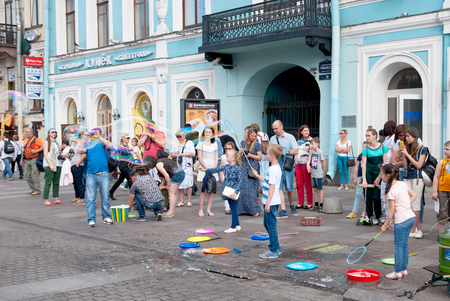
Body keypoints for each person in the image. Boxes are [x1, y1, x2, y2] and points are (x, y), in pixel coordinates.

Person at [380, 164, 416, 280]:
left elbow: (391, 212)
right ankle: (403, 270)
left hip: (402, 220)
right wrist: (404, 205)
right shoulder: (403, 184)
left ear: (388, 175)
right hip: (411, 217)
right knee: (404, 245)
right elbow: (414, 196)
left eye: (382, 175)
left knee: (398, 246)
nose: (381, 177)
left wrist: (385, 225)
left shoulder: (391, 191)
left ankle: (397, 272)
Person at [252, 144, 283, 259]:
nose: (266, 155)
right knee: (267, 224)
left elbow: (272, 187)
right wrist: (257, 175)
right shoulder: (275, 168)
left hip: (271, 202)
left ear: (272, 156)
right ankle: (276, 247)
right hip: (270, 201)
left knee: (271, 226)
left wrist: (268, 203)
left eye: (267, 154)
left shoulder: (272, 169)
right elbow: (267, 181)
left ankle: (273, 250)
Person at [202, 149, 242, 233]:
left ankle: (233, 227)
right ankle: (237, 225)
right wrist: (206, 170)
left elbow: (240, 181)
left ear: (233, 158)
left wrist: (236, 192)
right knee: (232, 207)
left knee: (234, 209)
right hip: (228, 190)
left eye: (227, 156)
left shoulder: (237, 169)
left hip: (233, 191)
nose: (226, 157)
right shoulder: (226, 166)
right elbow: (216, 169)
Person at [80, 128, 114, 227]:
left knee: (105, 197)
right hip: (90, 174)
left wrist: (100, 137)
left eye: (97, 132)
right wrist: (83, 138)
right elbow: (79, 150)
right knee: (90, 198)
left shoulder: (103, 144)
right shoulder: (88, 144)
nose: (95, 134)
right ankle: (91, 219)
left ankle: (106, 217)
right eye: (93, 132)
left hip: (103, 173)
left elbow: (111, 146)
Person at [400, 128, 427, 239]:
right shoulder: (409, 149)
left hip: (417, 178)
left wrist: (407, 154)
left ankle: (413, 229)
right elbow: (406, 166)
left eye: (408, 136)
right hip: (407, 177)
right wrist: (403, 154)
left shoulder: (423, 149)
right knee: (409, 203)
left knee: (416, 204)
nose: (406, 138)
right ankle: (418, 229)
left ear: (414, 137)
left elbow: (419, 165)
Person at [269, 120, 299, 218]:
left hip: (287, 166)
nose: (275, 131)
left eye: (276, 128)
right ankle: (283, 210)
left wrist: (285, 151)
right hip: (277, 166)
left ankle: (291, 206)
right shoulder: (273, 139)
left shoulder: (290, 137)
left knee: (290, 188)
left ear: (281, 127)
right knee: (279, 188)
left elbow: (296, 151)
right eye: (273, 129)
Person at [362, 128, 388, 225]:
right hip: (369, 172)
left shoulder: (382, 147)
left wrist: (379, 177)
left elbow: (384, 163)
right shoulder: (365, 149)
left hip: (379, 172)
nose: (367, 138)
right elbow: (363, 164)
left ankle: (378, 215)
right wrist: (364, 179)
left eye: (369, 135)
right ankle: (369, 215)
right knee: (368, 195)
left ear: (375, 136)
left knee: (377, 196)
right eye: (366, 136)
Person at [238, 128, 262, 216]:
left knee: (252, 189)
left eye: (255, 136)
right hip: (244, 166)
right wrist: (240, 153)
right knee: (243, 188)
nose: (253, 137)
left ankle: (254, 210)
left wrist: (250, 155)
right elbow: (238, 156)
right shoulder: (242, 143)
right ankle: (243, 209)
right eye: (252, 136)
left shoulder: (257, 144)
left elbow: (260, 157)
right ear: (248, 135)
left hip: (253, 166)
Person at [196, 127, 219, 217]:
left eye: (210, 132)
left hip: (213, 166)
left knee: (211, 190)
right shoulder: (200, 144)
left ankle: (208, 209)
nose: (208, 133)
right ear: (204, 133)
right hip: (204, 167)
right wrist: (206, 168)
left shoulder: (215, 143)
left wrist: (214, 168)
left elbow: (216, 156)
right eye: (206, 132)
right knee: (204, 190)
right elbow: (200, 157)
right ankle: (200, 209)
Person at [171, 129, 195, 207]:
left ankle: (189, 201)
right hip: (179, 165)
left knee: (188, 184)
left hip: (187, 165)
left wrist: (182, 155)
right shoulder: (176, 143)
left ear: (184, 135)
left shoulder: (189, 142)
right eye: (177, 137)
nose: (179, 139)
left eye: (180, 137)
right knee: (180, 184)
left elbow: (192, 153)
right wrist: (176, 155)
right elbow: (172, 153)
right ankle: (181, 201)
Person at [63, 131, 86, 206]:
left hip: (78, 165)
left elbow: (84, 155)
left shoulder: (80, 144)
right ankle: (77, 197)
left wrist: (78, 163)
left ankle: (82, 199)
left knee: (79, 182)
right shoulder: (72, 144)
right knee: (75, 182)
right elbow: (70, 154)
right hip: (72, 164)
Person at [432, 140, 450, 234]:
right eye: (444, 149)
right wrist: (435, 191)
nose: (445, 151)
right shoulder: (442, 162)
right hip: (442, 190)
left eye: (447, 149)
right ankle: (441, 234)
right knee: (442, 212)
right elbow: (436, 177)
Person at [42, 129, 63, 206]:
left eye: (55, 132)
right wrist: (50, 164)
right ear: (49, 134)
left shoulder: (56, 142)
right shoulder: (47, 142)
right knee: (48, 182)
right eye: (52, 132)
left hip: (58, 163)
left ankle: (56, 198)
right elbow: (45, 154)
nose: (54, 133)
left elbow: (57, 154)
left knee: (56, 182)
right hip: (49, 164)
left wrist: (60, 150)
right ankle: (45, 199)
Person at [347, 142, 368, 218]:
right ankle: (354, 211)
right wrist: (355, 177)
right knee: (358, 194)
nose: (364, 149)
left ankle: (365, 211)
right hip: (360, 176)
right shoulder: (360, 156)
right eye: (363, 147)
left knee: (367, 196)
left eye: (365, 147)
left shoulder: (370, 156)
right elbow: (357, 167)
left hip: (367, 177)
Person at [21, 128, 44, 195]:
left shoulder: (37, 139)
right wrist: (21, 159)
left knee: (35, 175)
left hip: (34, 158)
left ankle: (37, 190)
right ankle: (33, 188)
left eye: (29, 132)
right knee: (26, 175)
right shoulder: (25, 140)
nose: (28, 133)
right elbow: (24, 150)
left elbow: (43, 147)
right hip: (27, 159)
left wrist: (36, 151)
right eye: (27, 132)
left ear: (32, 132)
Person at [109, 134, 133, 200]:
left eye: (129, 138)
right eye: (127, 138)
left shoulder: (127, 146)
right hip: (123, 166)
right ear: (123, 139)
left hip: (127, 165)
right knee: (130, 179)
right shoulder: (121, 147)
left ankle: (110, 192)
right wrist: (130, 153)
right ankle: (133, 196)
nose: (128, 139)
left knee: (120, 180)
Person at [294, 125, 312, 210]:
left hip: (306, 164)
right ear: (301, 132)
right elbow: (296, 152)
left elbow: (312, 153)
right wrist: (295, 163)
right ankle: (300, 202)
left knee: (308, 184)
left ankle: (309, 203)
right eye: (304, 131)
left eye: (307, 130)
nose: (306, 132)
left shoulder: (311, 141)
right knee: (299, 184)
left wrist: (309, 163)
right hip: (298, 164)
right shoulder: (299, 141)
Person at [307, 138, 325, 212]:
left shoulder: (320, 152)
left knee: (320, 189)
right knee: (314, 189)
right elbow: (310, 159)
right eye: (311, 144)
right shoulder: (312, 152)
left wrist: (323, 172)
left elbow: (323, 163)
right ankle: (316, 204)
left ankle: (321, 204)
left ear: (317, 144)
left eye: (313, 144)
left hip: (318, 173)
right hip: (313, 173)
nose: (311, 145)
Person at [251, 123, 269, 190]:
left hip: (260, 154)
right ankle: (267, 184)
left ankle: (262, 186)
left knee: (261, 171)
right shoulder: (265, 134)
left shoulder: (256, 136)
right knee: (266, 170)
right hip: (266, 154)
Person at [220, 141, 236, 214]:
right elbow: (221, 168)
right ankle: (227, 208)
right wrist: (221, 176)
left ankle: (233, 207)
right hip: (226, 177)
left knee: (234, 193)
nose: (228, 150)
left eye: (230, 148)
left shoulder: (235, 157)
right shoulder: (223, 157)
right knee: (226, 193)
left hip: (234, 178)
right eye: (226, 148)